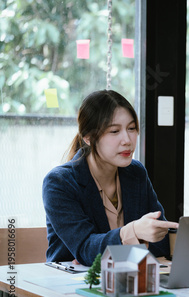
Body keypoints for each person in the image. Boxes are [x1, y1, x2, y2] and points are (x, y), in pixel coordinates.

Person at [43, 90, 178, 267]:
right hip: (72, 285)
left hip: (129, 280)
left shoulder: (135, 172)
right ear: (88, 138)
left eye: (131, 129)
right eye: (114, 131)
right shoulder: (59, 183)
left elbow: (160, 243)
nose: (127, 140)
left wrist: (104, 251)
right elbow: (85, 250)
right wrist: (132, 233)